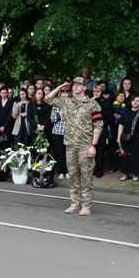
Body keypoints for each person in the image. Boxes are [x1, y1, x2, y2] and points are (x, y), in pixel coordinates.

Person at [46, 77, 103, 216]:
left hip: (85, 146)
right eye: (74, 85)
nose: (75, 87)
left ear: (84, 87)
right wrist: (60, 87)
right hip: (70, 145)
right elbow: (48, 99)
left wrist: (93, 145)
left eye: (79, 85)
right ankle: (75, 203)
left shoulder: (92, 104)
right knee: (73, 175)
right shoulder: (67, 102)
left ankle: (86, 205)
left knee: (86, 176)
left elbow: (98, 125)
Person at [117, 95, 139, 182]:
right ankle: (125, 173)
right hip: (125, 138)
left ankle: (135, 174)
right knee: (125, 156)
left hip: (138, 137)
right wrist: (119, 137)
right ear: (130, 102)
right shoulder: (126, 112)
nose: (135, 102)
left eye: (137, 101)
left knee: (136, 156)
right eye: (133, 100)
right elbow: (121, 124)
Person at [92, 85, 113, 177]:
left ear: (101, 92)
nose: (96, 93)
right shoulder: (90, 102)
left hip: (102, 129)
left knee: (100, 151)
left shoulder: (106, 102)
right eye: (94, 91)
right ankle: (91, 170)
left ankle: (99, 171)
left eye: (98, 91)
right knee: (90, 151)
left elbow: (110, 116)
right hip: (90, 130)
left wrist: (102, 124)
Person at [50, 88, 70, 179]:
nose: (65, 98)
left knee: (68, 153)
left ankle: (67, 171)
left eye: (66, 97)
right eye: (63, 97)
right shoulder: (55, 106)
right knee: (59, 153)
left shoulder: (71, 107)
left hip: (68, 133)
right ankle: (61, 171)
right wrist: (60, 114)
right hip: (57, 133)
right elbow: (52, 119)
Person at [0, 87, 13, 151]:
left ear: (7, 93)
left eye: (5, 93)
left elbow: (10, 115)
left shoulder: (11, 102)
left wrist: (4, 126)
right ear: (0, 94)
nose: (4, 95)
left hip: (7, 127)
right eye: (2, 93)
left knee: (6, 146)